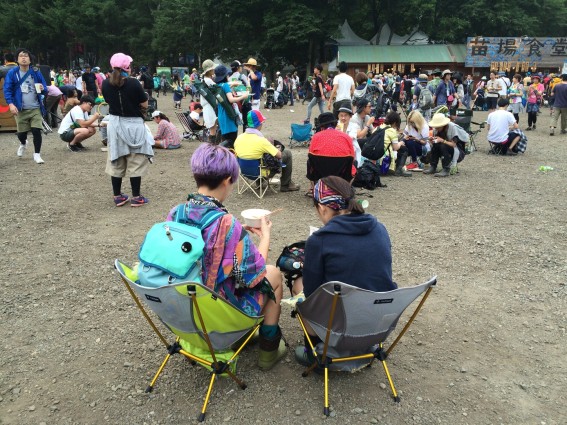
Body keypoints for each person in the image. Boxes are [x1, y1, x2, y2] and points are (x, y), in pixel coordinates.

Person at [166, 143, 286, 370]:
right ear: (226, 180)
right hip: (218, 313)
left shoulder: (176, 212)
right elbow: (254, 275)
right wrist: (265, 236)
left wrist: (235, 234)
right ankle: (268, 351)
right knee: (274, 274)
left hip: (186, 310)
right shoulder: (226, 223)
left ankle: (245, 338)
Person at [290, 176, 396, 366]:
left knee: (298, 284)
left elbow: (313, 292)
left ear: (322, 207)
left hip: (340, 328)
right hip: (378, 323)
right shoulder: (380, 228)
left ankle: (315, 354)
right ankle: (361, 350)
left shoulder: (319, 240)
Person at [101, 52, 153, 207]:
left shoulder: (105, 83)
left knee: (116, 158)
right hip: (134, 124)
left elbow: (109, 101)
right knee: (136, 159)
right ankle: (136, 197)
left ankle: (118, 196)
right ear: (127, 67)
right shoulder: (134, 83)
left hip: (115, 123)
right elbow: (144, 104)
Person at [234, 110, 300, 192]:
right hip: (260, 173)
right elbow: (279, 155)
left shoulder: (239, 138)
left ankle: (259, 183)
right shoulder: (261, 141)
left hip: (245, 172)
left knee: (256, 155)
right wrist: (276, 148)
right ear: (259, 123)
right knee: (287, 154)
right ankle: (286, 184)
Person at [3, 48, 48, 164]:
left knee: (36, 130)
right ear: (17, 59)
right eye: (21, 56)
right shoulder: (12, 73)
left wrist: (43, 89)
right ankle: (23, 143)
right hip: (20, 108)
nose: (23, 58)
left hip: (35, 107)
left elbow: (45, 88)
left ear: (30, 59)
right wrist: (11, 104)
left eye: (26, 56)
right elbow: (7, 90)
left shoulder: (36, 71)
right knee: (21, 134)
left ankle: (37, 154)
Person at [213, 65, 248, 148]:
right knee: (232, 142)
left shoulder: (218, 86)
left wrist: (231, 86)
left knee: (226, 139)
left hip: (221, 115)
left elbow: (217, 101)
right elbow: (231, 100)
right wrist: (244, 96)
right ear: (225, 76)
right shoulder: (225, 85)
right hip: (229, 115)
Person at [200, 59, 218, 139]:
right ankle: (211, 148)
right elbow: (218, 89)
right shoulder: (208, 81)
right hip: (209, 106)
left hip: (206, 106)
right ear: (209, 70)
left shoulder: (203, 80)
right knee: (213, 130)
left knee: (213, 129)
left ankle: (211, 147)